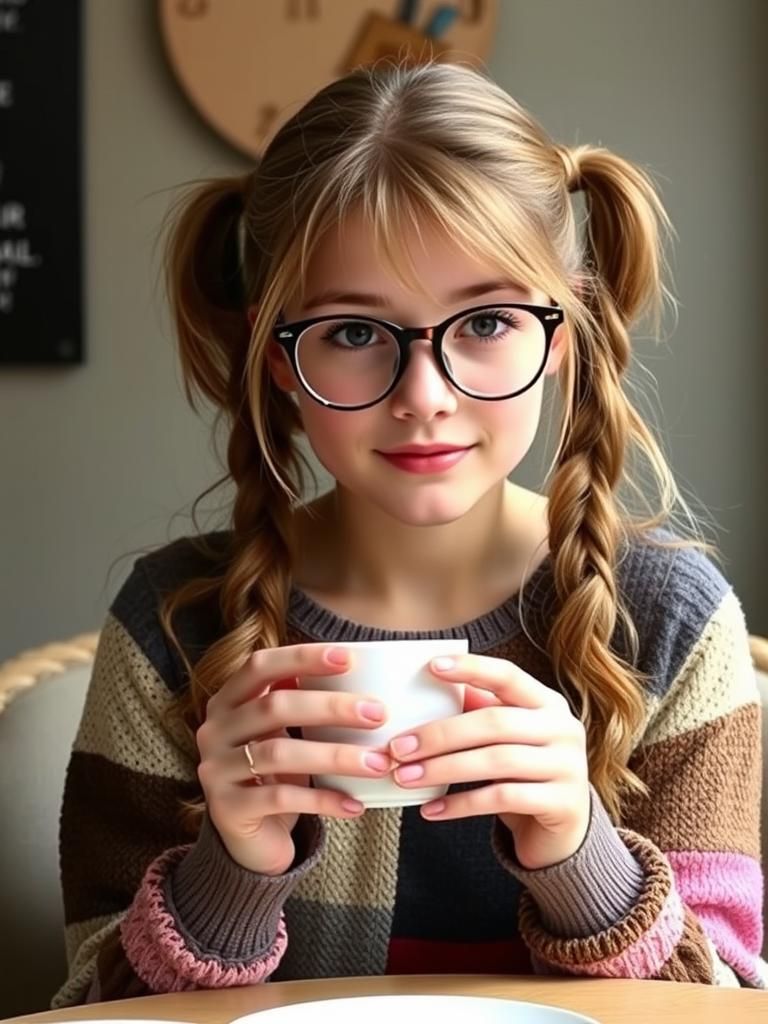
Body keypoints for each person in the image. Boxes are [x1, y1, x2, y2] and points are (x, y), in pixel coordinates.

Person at [54, 60, 766, 1007]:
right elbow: (85, 1005)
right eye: (353, 333)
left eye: (487, 321)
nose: (423, 398)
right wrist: (228, 871)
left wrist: (578, 857)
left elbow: (729, 999)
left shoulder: (670, 626)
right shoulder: (172, 629)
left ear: (562, 334)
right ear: (279, 359)